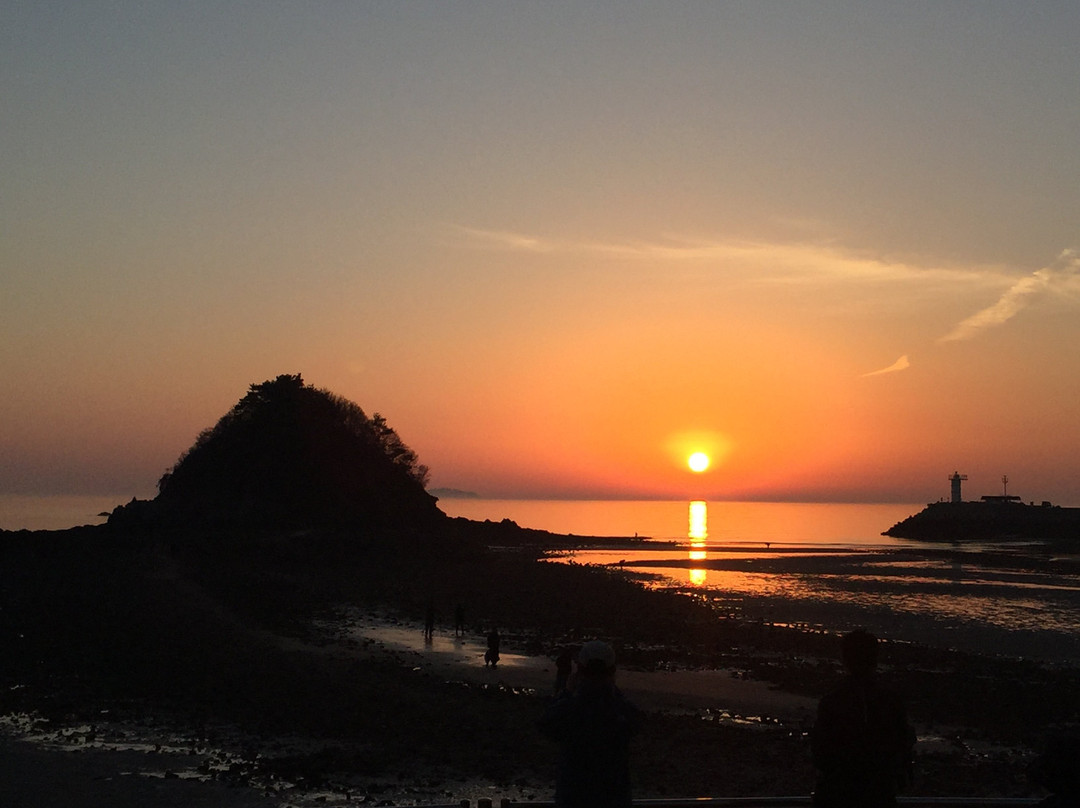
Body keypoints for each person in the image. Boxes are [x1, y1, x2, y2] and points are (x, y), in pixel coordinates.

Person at [811, 630, 915, 808]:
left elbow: (821, 754)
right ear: (875, 659)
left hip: (837, 794)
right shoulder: (891, 701)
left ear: (845, 658)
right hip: (879, 794)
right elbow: (903, 745)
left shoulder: (833, 701)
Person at [539, 640, 643, 808]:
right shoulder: (620, 711)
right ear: (612, 671)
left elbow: (546, 723)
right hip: (613, 798)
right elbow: (635, 722)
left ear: (579, 670)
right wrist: (612, 689)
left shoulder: (570, 710)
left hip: (573, 797)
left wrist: (566, 693)